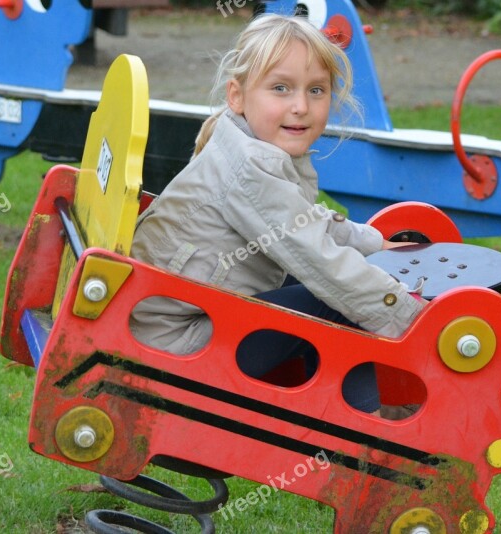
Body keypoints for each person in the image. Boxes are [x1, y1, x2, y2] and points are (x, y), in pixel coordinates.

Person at [130, 14, 425, 414]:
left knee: (326, 286)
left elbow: (306, 221)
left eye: (316, 90)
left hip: (168, 326)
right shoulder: (251, 166)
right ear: (237, 95)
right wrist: (411, 319)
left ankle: (353, 411)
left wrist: (373, 243)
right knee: (335, 297)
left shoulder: (247, 140)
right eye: (281, 88)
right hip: (174, 348)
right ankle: (368, 434)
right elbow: (319, 259)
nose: (300, 106)